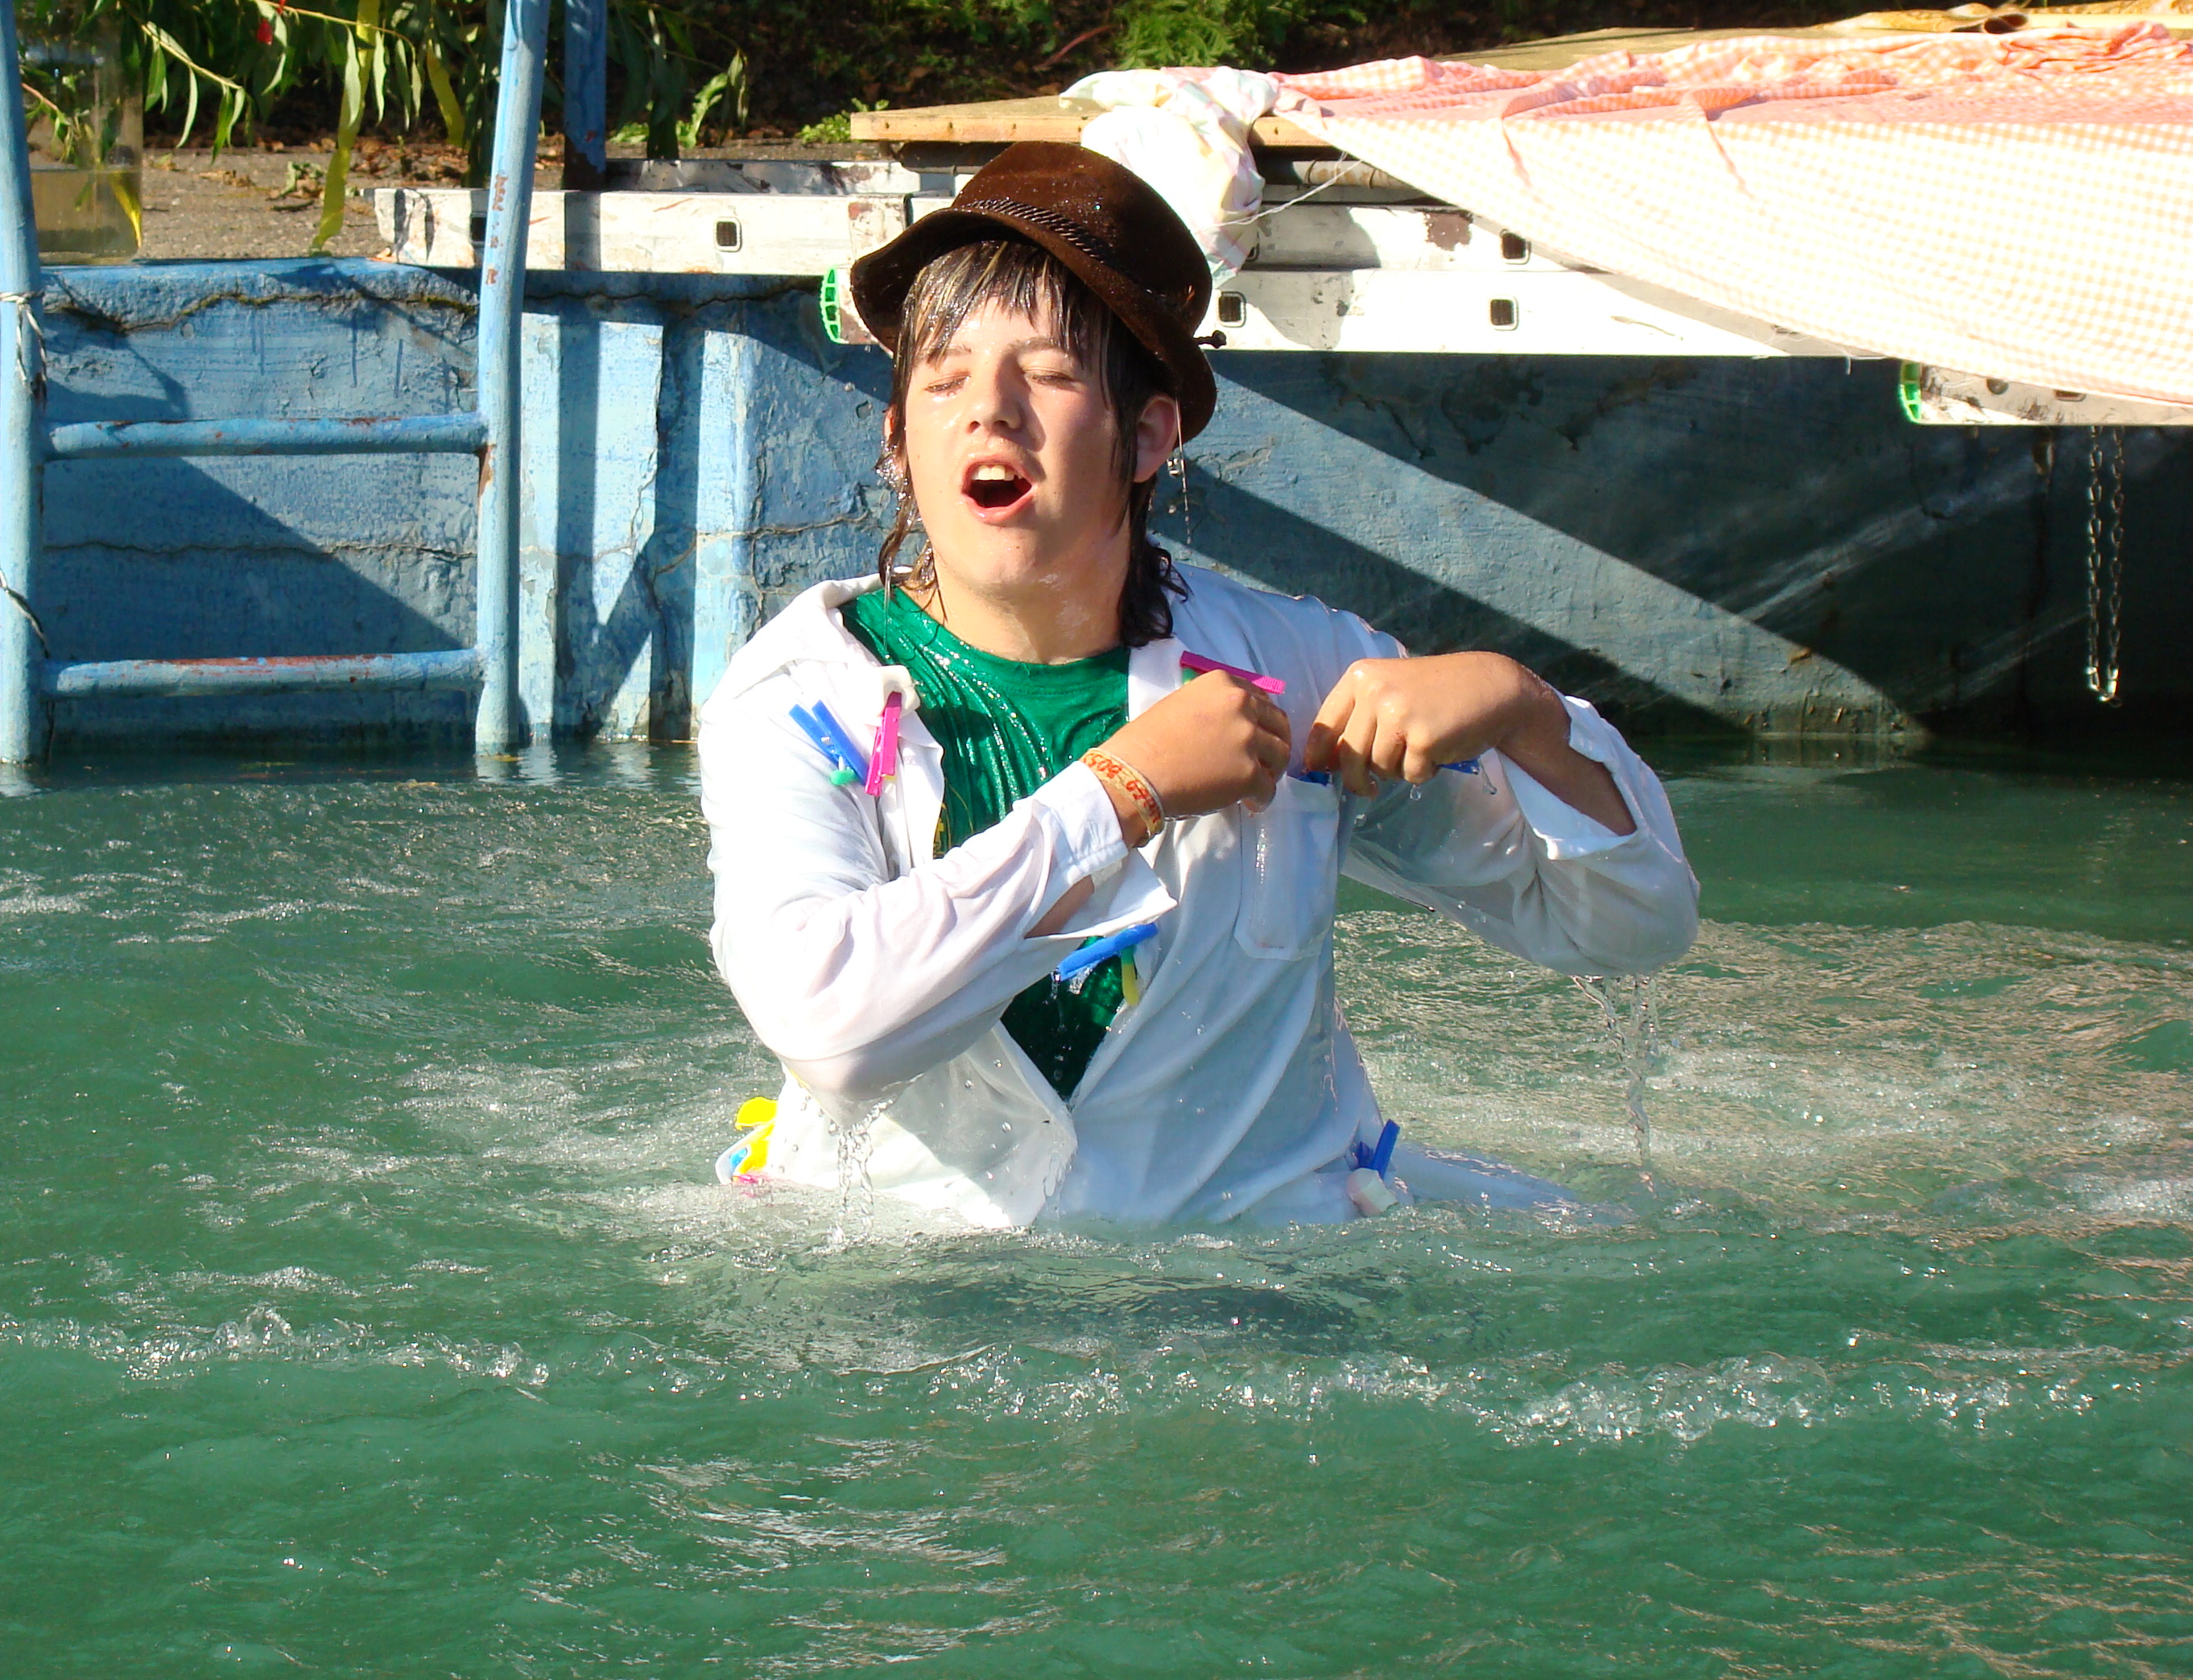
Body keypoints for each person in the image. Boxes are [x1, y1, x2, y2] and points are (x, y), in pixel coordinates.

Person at [696, 143, 1698, 1228]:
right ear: (898, 440)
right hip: (906, 1282)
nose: (990, 411)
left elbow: (1628, 928)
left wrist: (1527, 711)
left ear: (1147, 434)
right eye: (944, 379)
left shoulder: (1303, 675)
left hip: (1253, 1285)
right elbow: (830, 1033)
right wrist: (1120, 794)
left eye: (1049, 373)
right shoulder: (803, 695)